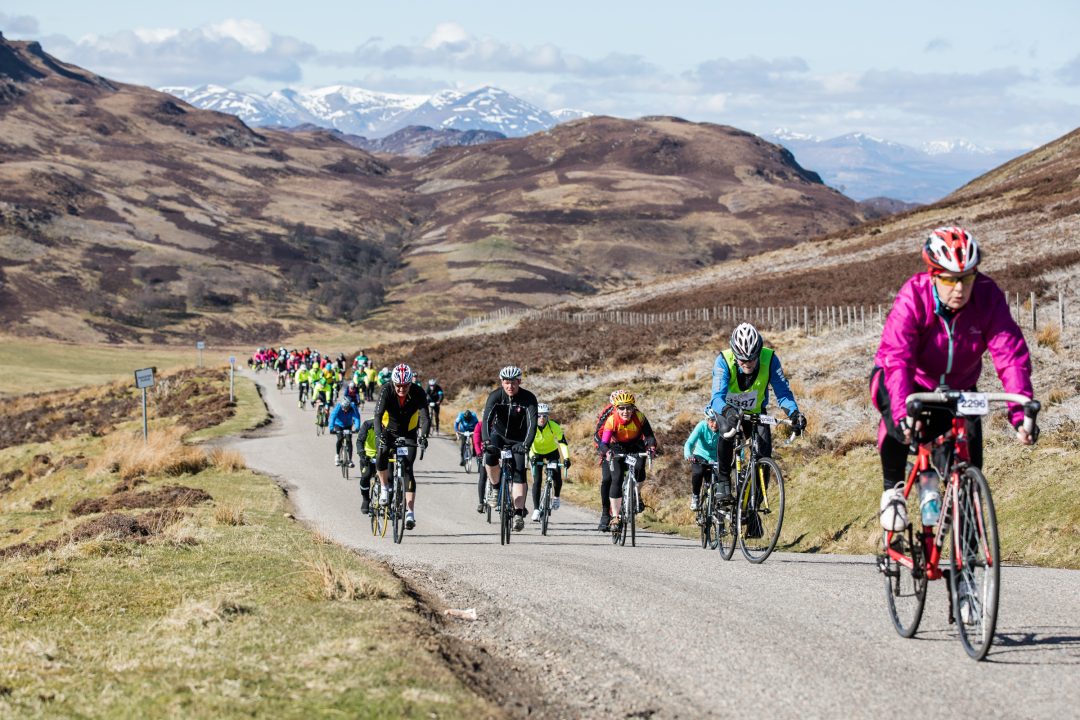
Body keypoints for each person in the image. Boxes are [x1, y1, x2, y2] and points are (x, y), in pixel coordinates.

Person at [872, 226, 1036, 528]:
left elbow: (1009, 354)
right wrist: (901, 411)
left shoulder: (987, 297)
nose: (959, 288)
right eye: (949, 279)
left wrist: (1020, 412)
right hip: (907, 381)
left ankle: (968, 554)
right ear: (933, 275)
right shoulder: (913, 296)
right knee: (900, 426)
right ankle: (893, 488)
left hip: (960, 387)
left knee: (969, 468)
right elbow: (898, 358)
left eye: (966, 278)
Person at [710, 322, 805, 512]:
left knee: (764, 456)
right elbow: (716, 398)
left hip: (755, 413)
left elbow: (783, 394)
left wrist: (794, 413)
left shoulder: (770, 359)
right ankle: (722, 481)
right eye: (742, 359)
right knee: (728, 433)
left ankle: (753, 511)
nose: (747, 363)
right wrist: (728, 412)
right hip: (727, 411)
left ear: (759, 352)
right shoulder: (723, 360)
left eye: (751, 359)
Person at [373, 363, 430, 530]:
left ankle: (410, 513)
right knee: (382, 454)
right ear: (393, 383)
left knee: (407, 469)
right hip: (388, 431)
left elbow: (425, 417)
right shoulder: (386, 390)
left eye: (405, 386)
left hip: (409, 433)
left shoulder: (418, 392)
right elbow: (377, 415)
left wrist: (424, 437)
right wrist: (379, 436)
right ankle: (384, 487)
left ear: (410, 383)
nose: (401, 389)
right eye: (398, 385)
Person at [481, 366, 539, 532]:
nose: (510, 386)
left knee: (519, 471)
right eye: (506, 383)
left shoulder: (528, 398)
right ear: (502, 382)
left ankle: (519, 513)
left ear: (519, 382)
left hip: (518, 440)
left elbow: (532, 424)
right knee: (490, 454)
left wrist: (526, 444)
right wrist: (485, 440)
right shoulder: (495, 396)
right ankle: (495, 486)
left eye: (513, 382)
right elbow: (486, 420)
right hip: (498, 436)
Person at [598, 391, 657, 532]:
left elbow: (649, 436)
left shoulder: (639, 417)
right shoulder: (612, 420)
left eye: (629, 408)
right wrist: (607, 452)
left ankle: (636, 493)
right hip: (617, 448)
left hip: (636, 446)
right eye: (622, 408)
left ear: (633, 408)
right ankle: (615, 517)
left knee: (640, 471)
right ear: (616, 408)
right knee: (616, 479)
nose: (626, 411)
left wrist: (651, 447)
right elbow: (603, 443)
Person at [529, 403, 570, 521]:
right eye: (539, 416)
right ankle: (536, 509)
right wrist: (531, 456)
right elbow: (528, 444)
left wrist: (566, 458)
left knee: (557, 476)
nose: (542, 419)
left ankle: (556, 497)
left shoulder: (554, 426)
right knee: (537, 481)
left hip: (551, 452)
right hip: (536, 453)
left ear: (548, 417)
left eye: (545, 416)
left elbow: (562, 443)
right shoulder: (531, 426)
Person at [593, 389, 625, 530]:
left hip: (629, 448)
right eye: (617, 407)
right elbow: (597, 434)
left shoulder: (631, 411)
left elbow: (642, 431)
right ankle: (606, 514)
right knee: (607, 479)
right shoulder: (608, 412)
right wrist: (603, 449)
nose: (622, 410)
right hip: (610, 449)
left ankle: (634, 499)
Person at [684, 406, 722, 511]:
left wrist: (740, 458)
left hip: (716, 458)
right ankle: (695, 497)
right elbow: (689, 443)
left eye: (717, 421)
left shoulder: (723, 428)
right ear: (707, 420)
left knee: (720, 482)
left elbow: (733, 444)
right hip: (700, 456)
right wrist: (688, 455)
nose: (715, 424)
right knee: (698, 473)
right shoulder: (701, 426)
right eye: (711, 421)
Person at [328, 396, 361, 467]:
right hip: (338, 424)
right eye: (344, 408)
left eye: (347, 408)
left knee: (349, 440)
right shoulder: (338, 407)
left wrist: (357, 427)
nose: (345, 410)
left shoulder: (353, 407)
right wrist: (331, 428)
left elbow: (356, 417)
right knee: (340, 438)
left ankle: (350, 460)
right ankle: (337, 456)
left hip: (348, 425)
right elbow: (332, 417)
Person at [356, 417, 379, 514]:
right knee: (365, 477)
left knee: (390, 478)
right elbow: (359, 441)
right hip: (368, 456)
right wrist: (362, 454)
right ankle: (365, 500)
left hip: (383, 456)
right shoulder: (367, 424)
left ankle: (389, 504)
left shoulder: (389, 424)